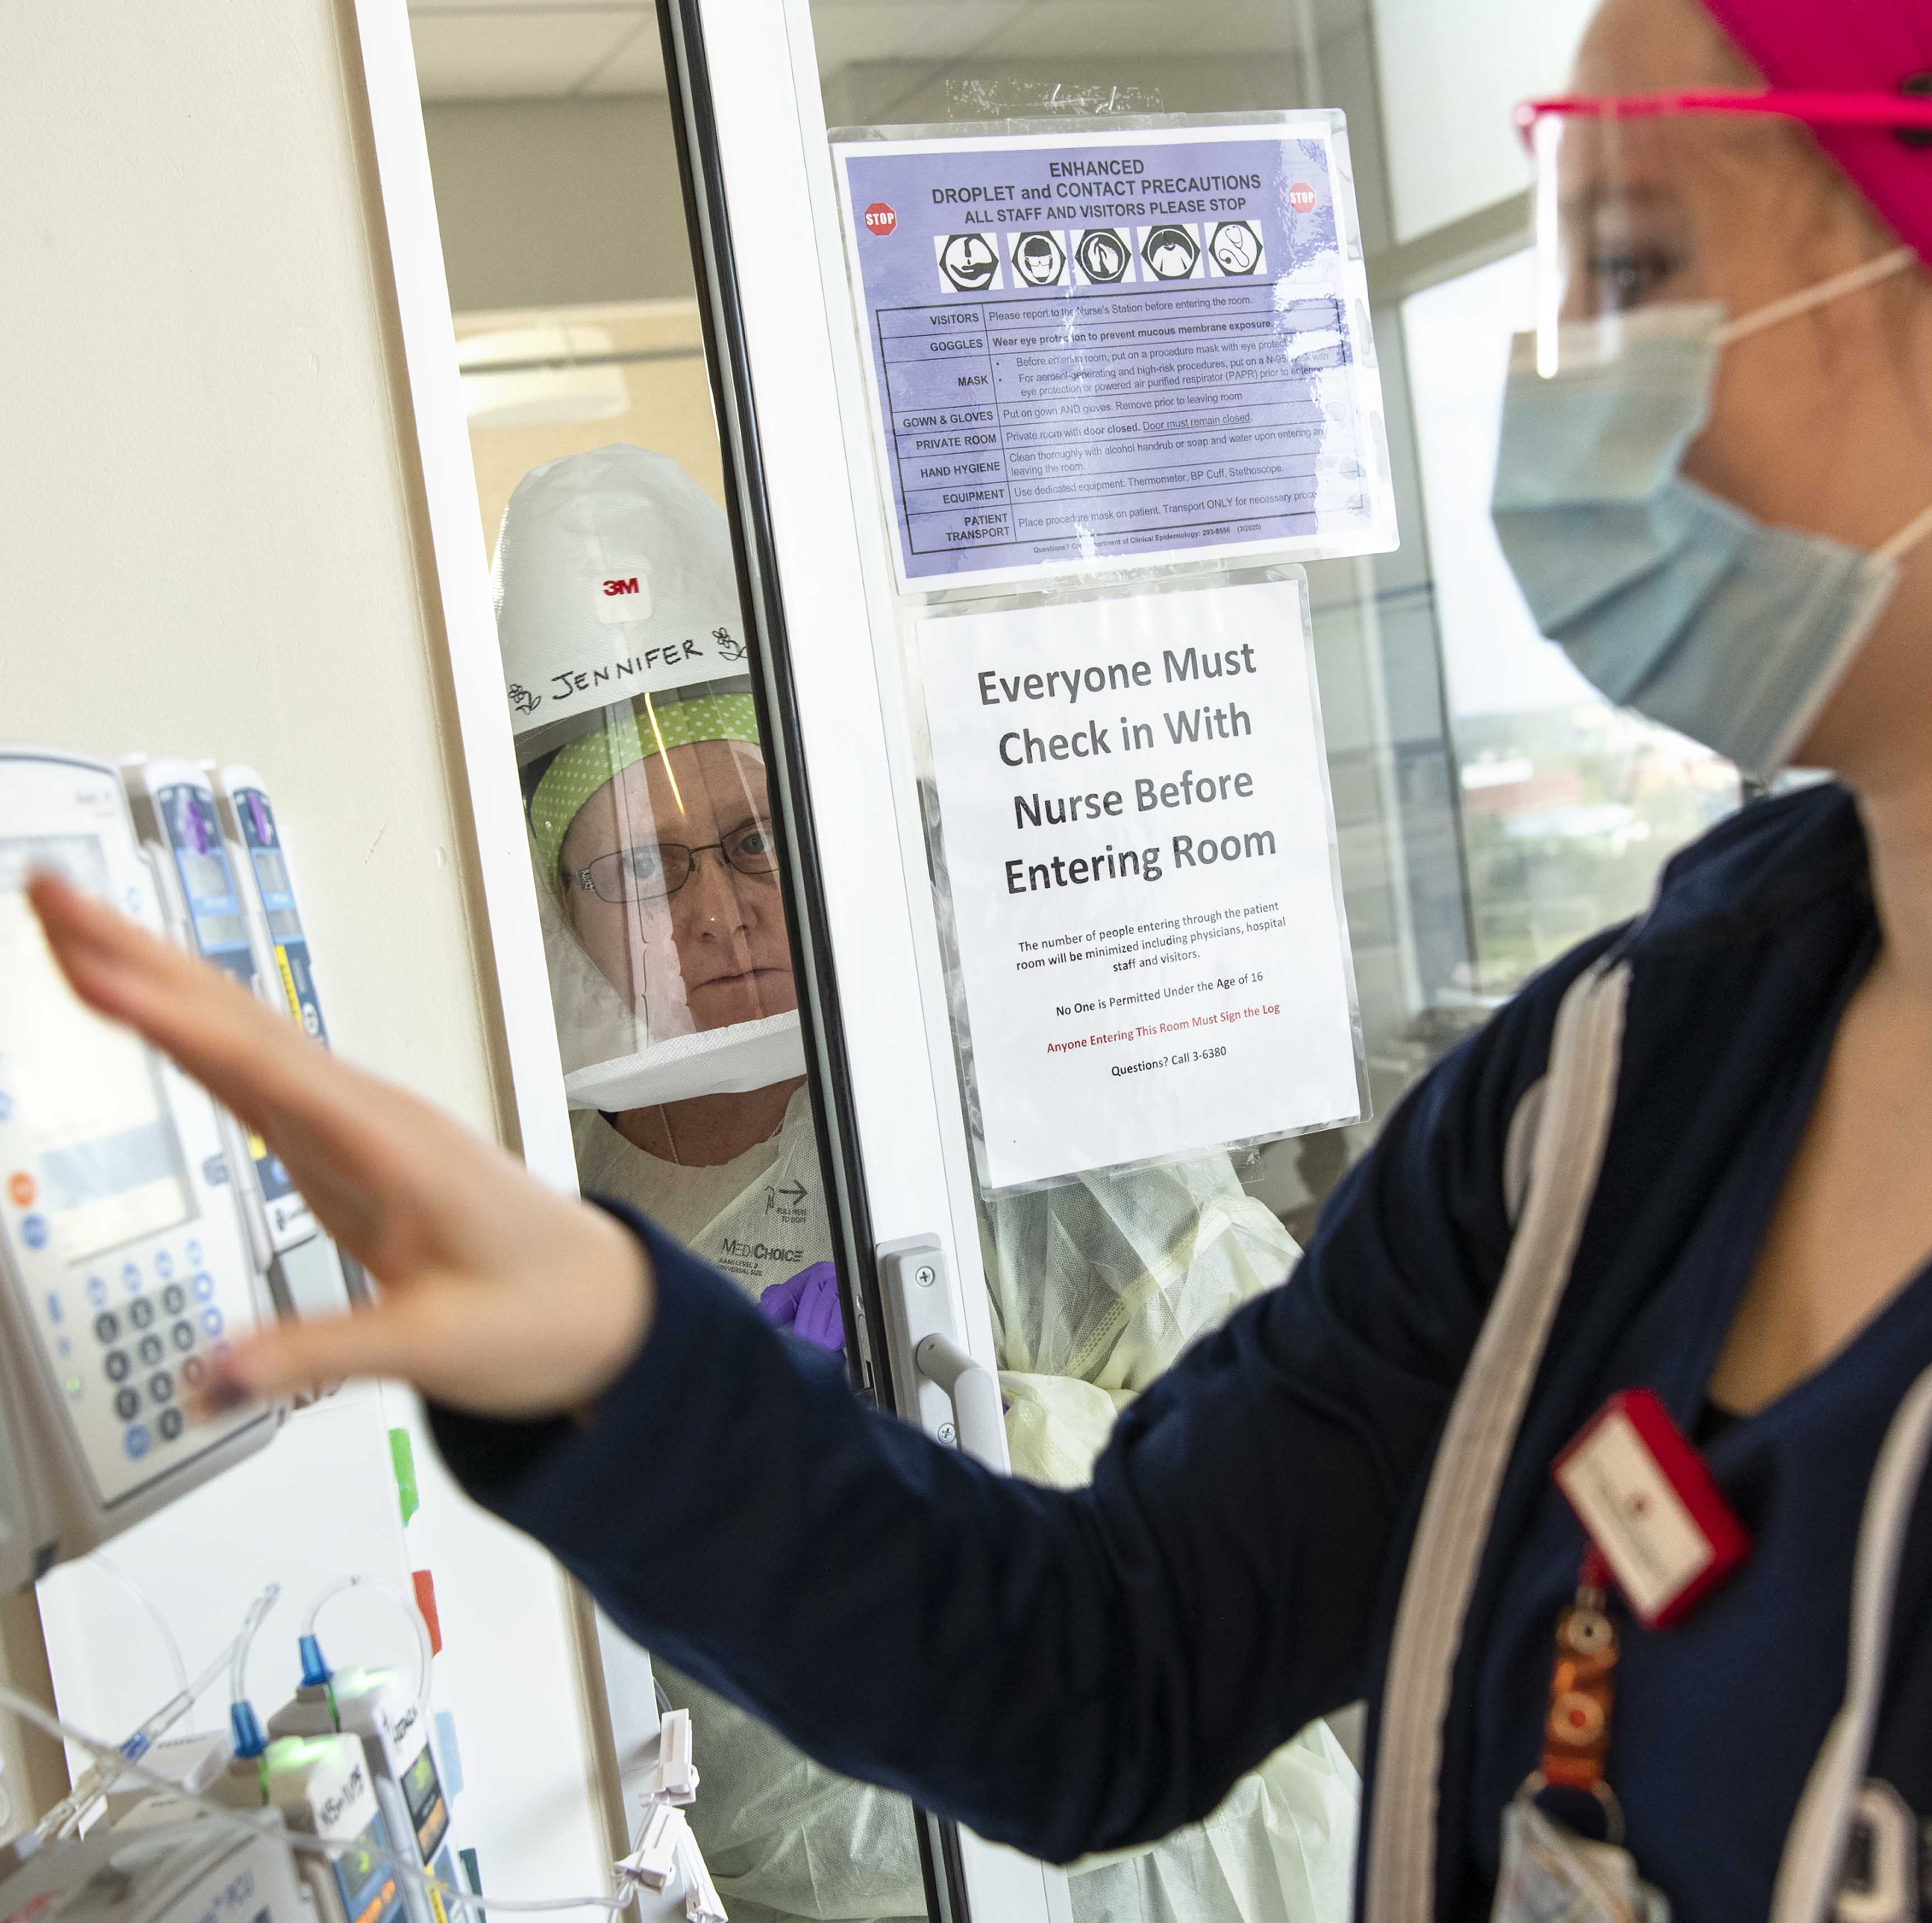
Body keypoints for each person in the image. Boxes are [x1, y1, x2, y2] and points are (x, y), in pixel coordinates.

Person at [31, 0, 1932, 1916]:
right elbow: (1102, 1668)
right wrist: (603, 1346)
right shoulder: (1629, 1089)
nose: (1556, 384)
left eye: (1633, 256)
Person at [491, 446, 1359, 1923]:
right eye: (641, 868)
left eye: (753, 840)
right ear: (560, 903)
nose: (718, 913)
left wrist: (971, 1457)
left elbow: (1289, 1474)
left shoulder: (985, 1117)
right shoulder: (555, 1200)